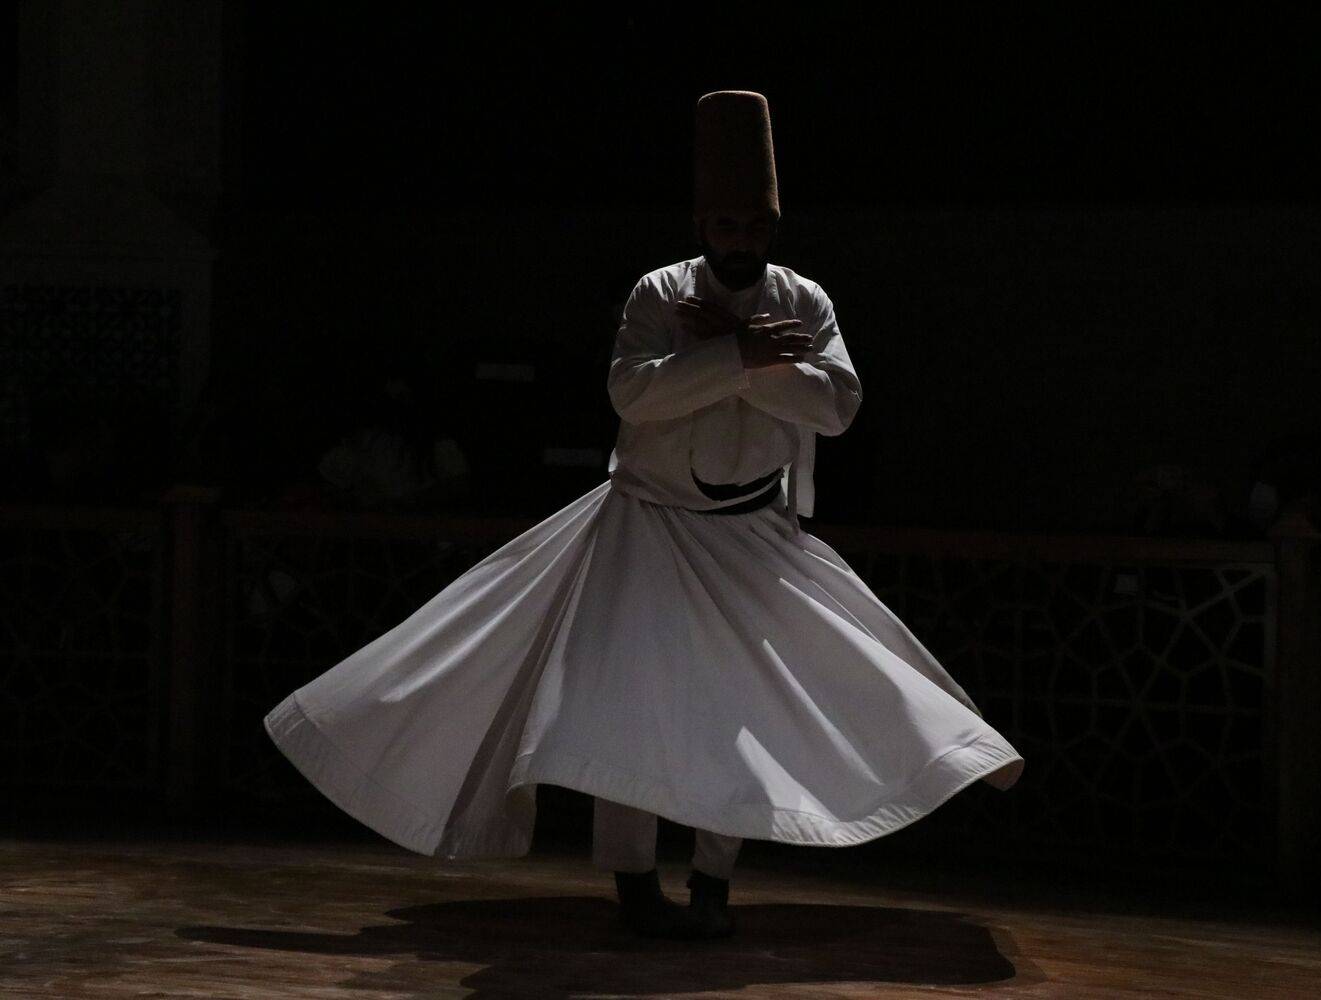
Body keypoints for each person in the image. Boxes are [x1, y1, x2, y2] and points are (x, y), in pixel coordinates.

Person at [264, 90, 1024, 943]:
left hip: (750, 535)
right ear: (703, 223)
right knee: (626, 707)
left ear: (773, 227)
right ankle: (632, 882)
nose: (741, 239)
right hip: (649, 525)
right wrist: (735, 353)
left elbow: (836, 405)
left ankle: (712, 880)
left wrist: (741, 355)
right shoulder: (660, 293)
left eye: (755, 226)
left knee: (737, 711)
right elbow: (634, 394)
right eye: (727, 224)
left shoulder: (804, 301)